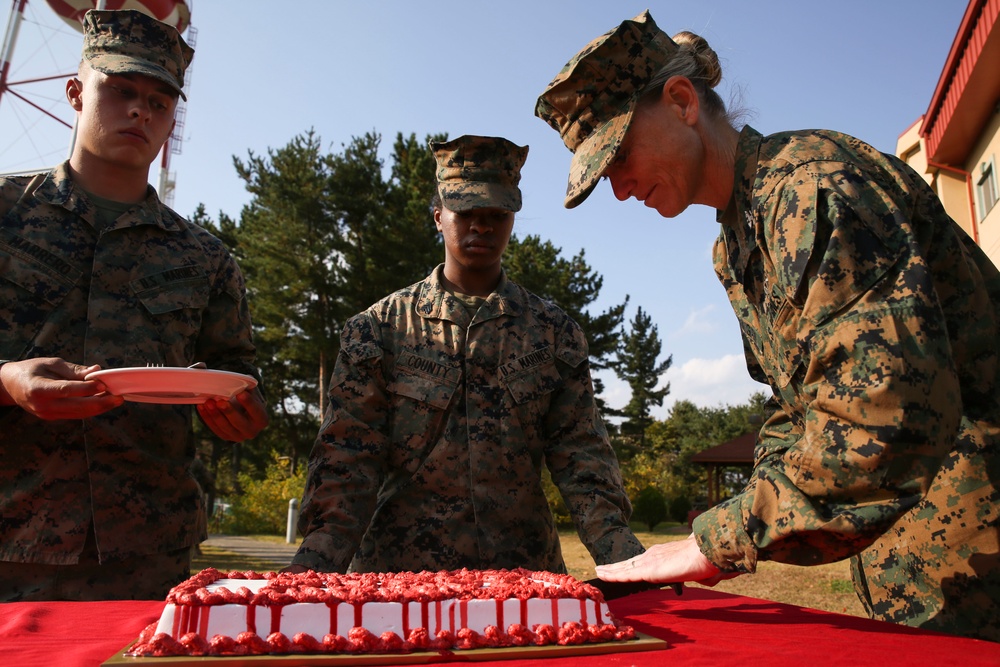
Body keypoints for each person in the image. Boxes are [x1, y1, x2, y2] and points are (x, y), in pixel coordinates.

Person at [534, 10, 1000, 642]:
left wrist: (719, 538)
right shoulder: (738, 239)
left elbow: (884, 417)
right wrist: (734, 517)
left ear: (681, 102)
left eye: (617, 155)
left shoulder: (811, 188)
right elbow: (797, 410)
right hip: (925, 570)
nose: (618, 190)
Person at [0, 9, 268, 601]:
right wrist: (8, 381)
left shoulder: (205, 258)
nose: (140, 111)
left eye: (159, 101)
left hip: (149, 558)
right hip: (11, 547)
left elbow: (240, 376)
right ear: (75, 92)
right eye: (120, 90)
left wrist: (241, 411)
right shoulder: (5, 215)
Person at [288, 135, 644, 575]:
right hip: (401, 581)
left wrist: (624, 559)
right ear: (439, 216)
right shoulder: (380, 329)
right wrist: (313, 569)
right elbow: (347, 458)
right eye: (466, 213)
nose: (482, 226)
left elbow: (582, 454)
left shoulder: (553, 333)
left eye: (497, 214)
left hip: (522, 578)